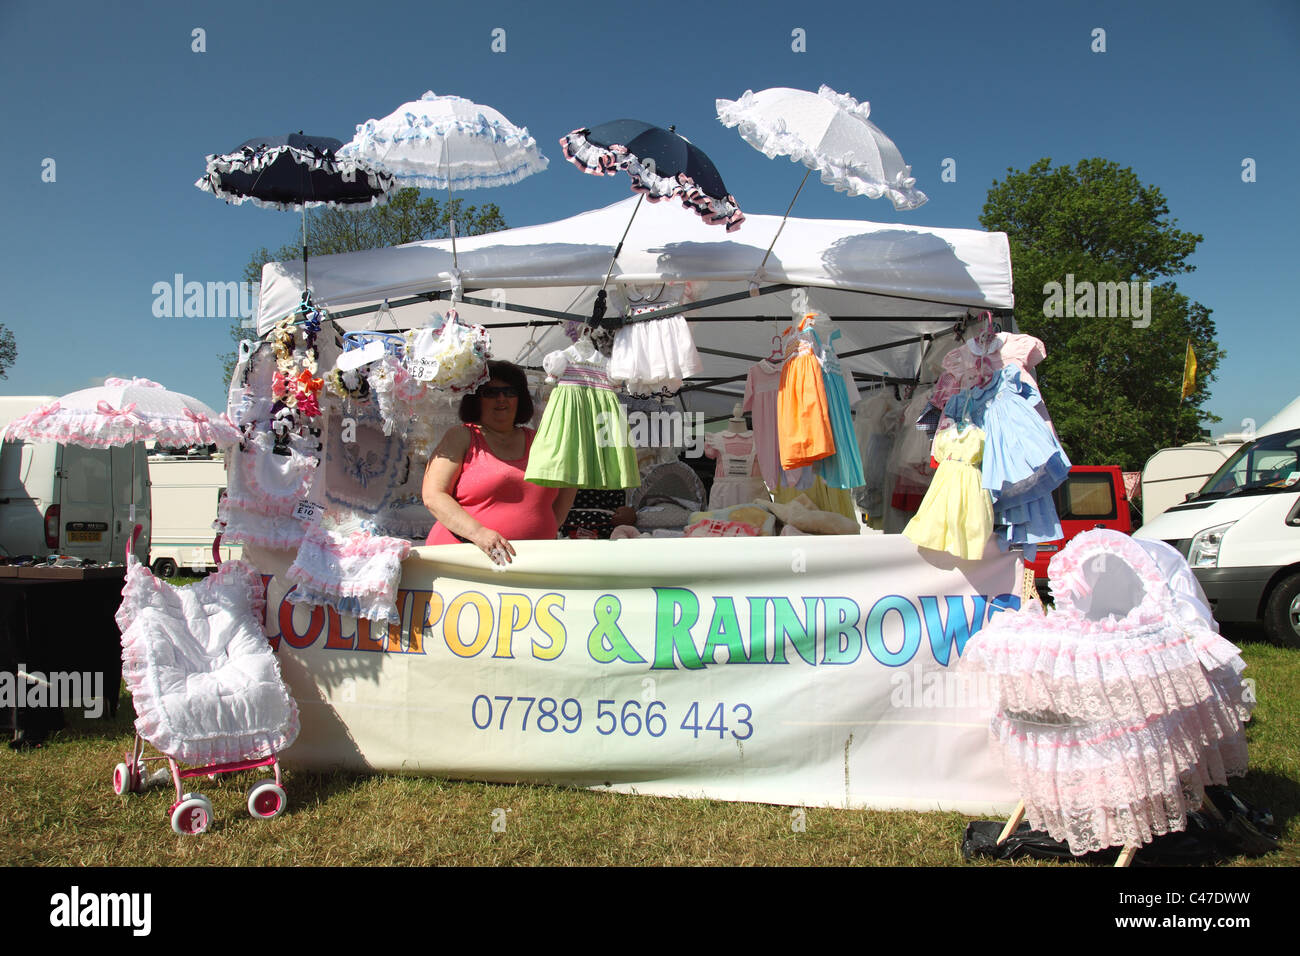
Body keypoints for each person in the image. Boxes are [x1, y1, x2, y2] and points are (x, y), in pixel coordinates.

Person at [422, 361, 575, 563]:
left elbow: (567, 487)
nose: (501, 398)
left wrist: (543, 529)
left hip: (531, 566)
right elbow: (433, 496)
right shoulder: (460, 437)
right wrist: (479, 533)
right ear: (476, 398)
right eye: (491, 392)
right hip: (462, 560)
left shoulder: (541, 441)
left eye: (510, 392)